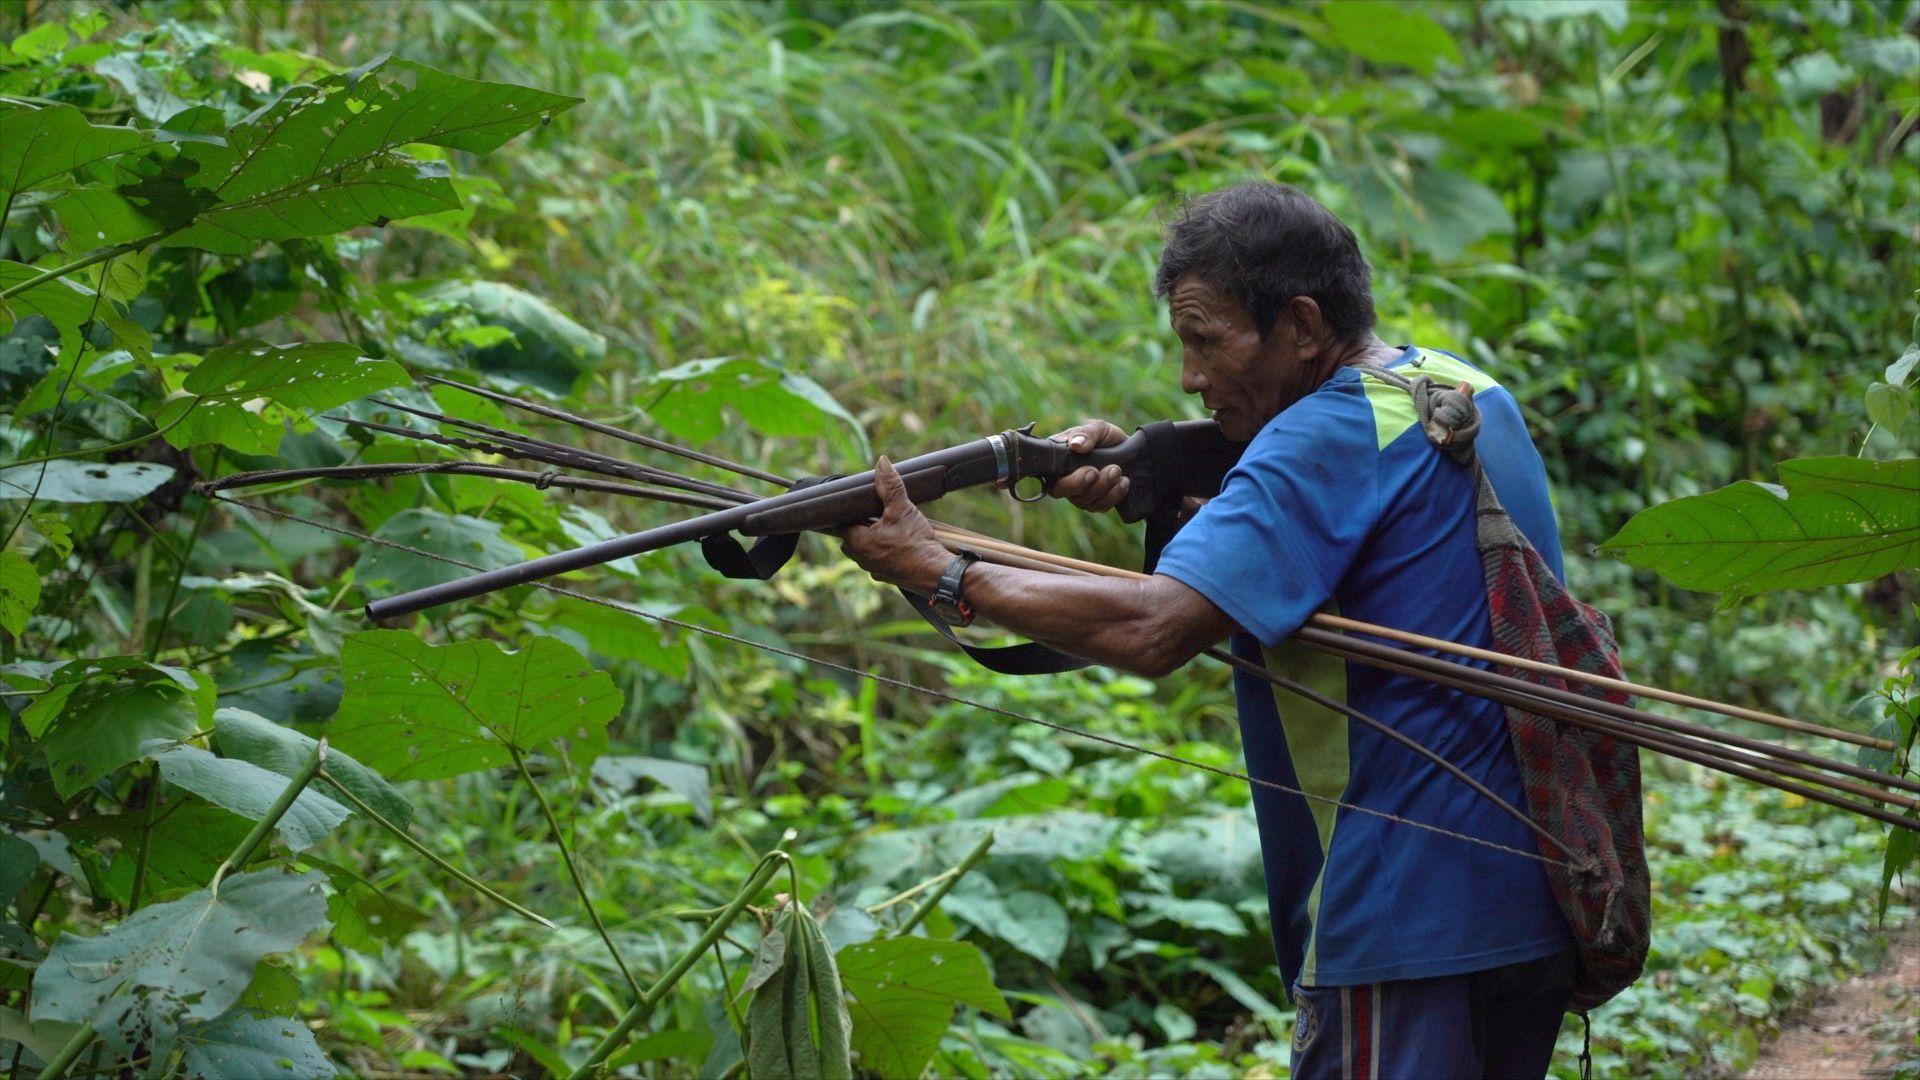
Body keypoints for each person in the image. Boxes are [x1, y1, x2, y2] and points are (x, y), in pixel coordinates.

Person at [838, 180, 1578, 1079]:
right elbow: (1358, 528)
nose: (1189, 375)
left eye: (1205, 339)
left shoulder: (1318, 441)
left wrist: (940, 570)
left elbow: (1157, 630)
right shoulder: (1463, 390)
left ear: (1301, 328)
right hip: (1534, 885)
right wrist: (1161, 480)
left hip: (1400, 913)